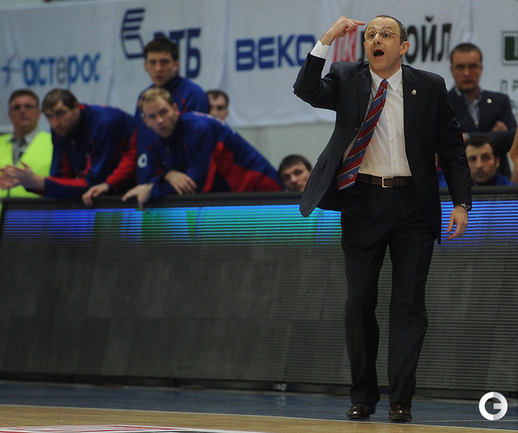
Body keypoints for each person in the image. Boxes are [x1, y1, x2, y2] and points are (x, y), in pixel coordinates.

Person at [293, 15, 471, 422]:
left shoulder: (429, 85)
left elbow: (452, 148)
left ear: (403, 47)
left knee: (409, 304)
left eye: (386, 34)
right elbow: (306, 89)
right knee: (358, 302)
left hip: (414, 204)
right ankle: (363, 395)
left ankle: (400, 400)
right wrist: (327, 38)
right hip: (362, 201)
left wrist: (461, 203)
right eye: (370, 34)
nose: (377, 38)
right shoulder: (346, 78)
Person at [122, 88, 283, 209]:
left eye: (163, 112)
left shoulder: (198, 128)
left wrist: (152, 191)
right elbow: (149, 178)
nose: (160, 120)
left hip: (260, 190)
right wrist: (168, 176)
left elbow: (194, 184)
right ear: (145, 121)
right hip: (230, 200)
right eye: (152, 116)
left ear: (176, 109)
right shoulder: (153, 139)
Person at [0, 88, 136, 203]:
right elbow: (61, 180)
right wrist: (29, 183)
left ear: (76, 107)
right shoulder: (60, 128)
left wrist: (37, 182)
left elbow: (93, 183)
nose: (55, 123)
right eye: (49, 116)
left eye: (60, 113)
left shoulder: (104, 123)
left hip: (131, 190)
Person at [135, 37, 210, 184]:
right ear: (145, 66)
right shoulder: (144, 98)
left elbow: (197, 144)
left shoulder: (193, 93)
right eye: (153, 62)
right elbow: (140, 143)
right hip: (154, 179)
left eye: (164, 62)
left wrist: (170, 176)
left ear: (176, 65)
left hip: (185, 181)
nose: (158, 68)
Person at [448, 43, 517, 178]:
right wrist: (494, 135)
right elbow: (446, 142)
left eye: (472, 66)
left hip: (499, 183)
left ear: (481, 68)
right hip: (457, 181)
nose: (466, 73)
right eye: (460, 67)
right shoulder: (442, 103)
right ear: (452, 70)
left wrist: (467, 137)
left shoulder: (499, 101)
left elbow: (513, 139)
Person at [0, 89, 53, 199]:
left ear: (38, 113)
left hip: (36, 208)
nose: (22, 111)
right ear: (9, 114)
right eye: (16, 107)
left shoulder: (54, 143)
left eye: (28, 107)